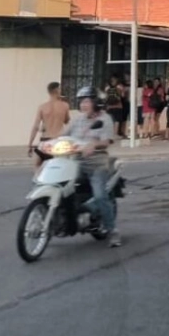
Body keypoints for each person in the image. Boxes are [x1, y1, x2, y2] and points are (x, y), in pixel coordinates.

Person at [67, 85, 121, 247]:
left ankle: (112, 231)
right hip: (75, 162)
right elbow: (64, 135)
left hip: (97, 164)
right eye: (81, 101)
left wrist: (94, 145)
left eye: (87, 101)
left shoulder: (104, 119)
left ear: (96, 103)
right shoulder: (78, 119)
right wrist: (46, 143)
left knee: (99, 195)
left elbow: (106, 141)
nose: (83, 105)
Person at [27, 81, 70, 167]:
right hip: (58, 140)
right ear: (57, 90)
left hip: (45, 141)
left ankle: (38, 179)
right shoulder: (65, 105)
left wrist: (30, 145)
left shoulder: (42, 107)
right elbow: (66, 120)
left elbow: (35, 127)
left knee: (37, 166)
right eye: (60, 89)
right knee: (58, 166)